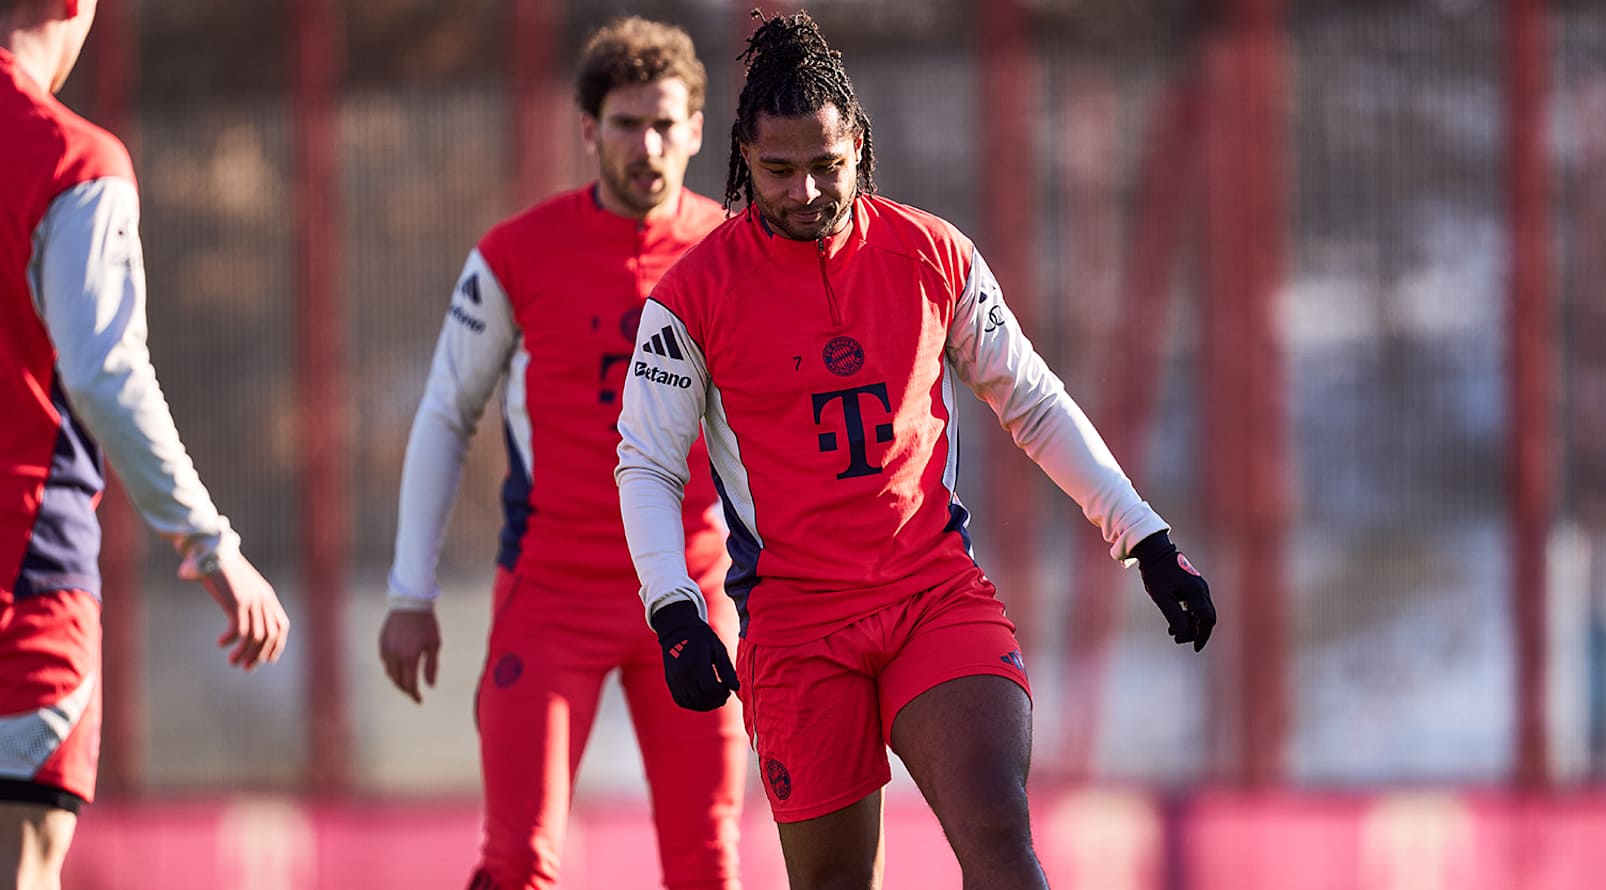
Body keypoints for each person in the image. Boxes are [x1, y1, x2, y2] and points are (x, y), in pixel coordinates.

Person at [615, 11, 1218, 890]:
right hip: (795, 626)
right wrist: (674, 608)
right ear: (743, 156)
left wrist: (1148, 540)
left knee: (1000, 841)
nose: (807, 192)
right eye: (779, 171)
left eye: (828, 166)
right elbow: (648, 464)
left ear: (859, 144)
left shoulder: (933, 254)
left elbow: (1034, 404)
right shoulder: (690, 300)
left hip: (933, 596)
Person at [377, 17, 745, 890]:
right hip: (550, 595)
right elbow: (443, 416)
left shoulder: (736, 251)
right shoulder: (516, 255)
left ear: (697, 128)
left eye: (666, 123)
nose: (647, 145)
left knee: (707, 866)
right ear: (588, 130)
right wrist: (408, 590)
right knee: (514, 864)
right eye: (625, 124)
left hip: (694, 594)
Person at [2, 0, 292, 885]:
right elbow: (103, 376)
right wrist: (212, 547)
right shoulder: (72, 159)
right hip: (25, 572)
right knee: (23, 862)